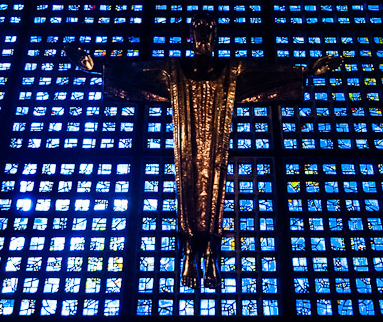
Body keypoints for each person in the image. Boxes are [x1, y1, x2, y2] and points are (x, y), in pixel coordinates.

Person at [66, 18, 339, 289]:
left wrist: (305, 72)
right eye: (199, 32)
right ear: (191, 37)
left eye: (210, 32)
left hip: (217, 142)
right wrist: (98, 67)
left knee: (214, 188)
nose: (204, 38)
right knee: (187, 187)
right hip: (185, 141)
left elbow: (267, 75)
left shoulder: (233, 71)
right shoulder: (172, 70)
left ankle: (209, 252)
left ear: (217, 37)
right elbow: (138, 72)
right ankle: (189, 252)